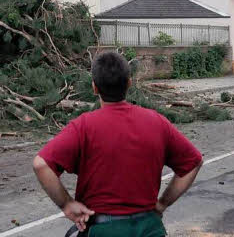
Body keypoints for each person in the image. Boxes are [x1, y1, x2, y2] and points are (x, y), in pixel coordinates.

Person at [32, 51, 202, 236]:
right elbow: (194, 162)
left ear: (94, 88)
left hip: (104, 229)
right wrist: (162, 203)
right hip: (150, 228)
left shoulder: (83, 127)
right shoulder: (157, 122)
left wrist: (66, 204)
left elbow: (41, 164)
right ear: (129, 83)